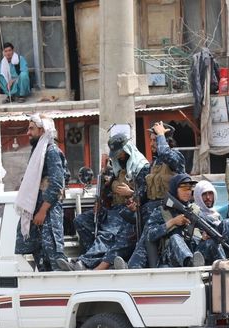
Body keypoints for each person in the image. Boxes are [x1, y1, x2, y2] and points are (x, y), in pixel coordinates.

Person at [60, 128, 148, 271]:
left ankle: (85, 262)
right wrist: (101, 199)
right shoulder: (117, 168)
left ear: (127, 150)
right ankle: (94, 259)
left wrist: (130, 192)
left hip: (127, 211)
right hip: (111, 209)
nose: (118, 157)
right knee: (81, 221)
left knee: (106, 234)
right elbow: (108, 193)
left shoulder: (140, 168)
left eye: (120, 154)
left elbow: (146, 195)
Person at [120, 121, 187, 269]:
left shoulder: (176, 158)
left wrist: (161, 135)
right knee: (124, 228)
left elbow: (166, 153)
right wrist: (135, 201)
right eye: (150, 140)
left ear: (166, 140)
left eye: (154, 140)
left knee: (146, 238)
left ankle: (133, 267)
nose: (152, 144)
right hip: (149, 210)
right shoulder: (153, 165)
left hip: (168, 209)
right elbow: (144, 191)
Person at [15, 115, 68, 271]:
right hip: (35, 210)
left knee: (53, 257)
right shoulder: (38, 151)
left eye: (31, 128)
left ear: (42, 130)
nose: (28, 132)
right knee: (36, 256)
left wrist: (43, 211)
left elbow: (57, 184)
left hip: (48, 213)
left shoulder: (51, 152)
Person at [141, 174, 206, 268]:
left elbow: (207, 228)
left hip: (195, 252)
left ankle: (227, 266)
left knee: (215, 239)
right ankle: (190, 263)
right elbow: (149, 234)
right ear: (175, 189)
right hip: (171, 256)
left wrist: (204, 236)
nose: (187, 192)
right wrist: (172, 222)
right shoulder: (162, 211)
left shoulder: (195, 210)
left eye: (189, 189)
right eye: (184, 189)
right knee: (175, 237)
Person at [193, 180, 229, 262]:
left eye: (210, 193)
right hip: (203, 251)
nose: (208, 197)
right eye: (204, 194)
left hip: (222, 247)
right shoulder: (196, 213)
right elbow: (194, 238)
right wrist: (202, 237)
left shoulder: (216, 214)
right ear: (198, 196)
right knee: (227, 223)